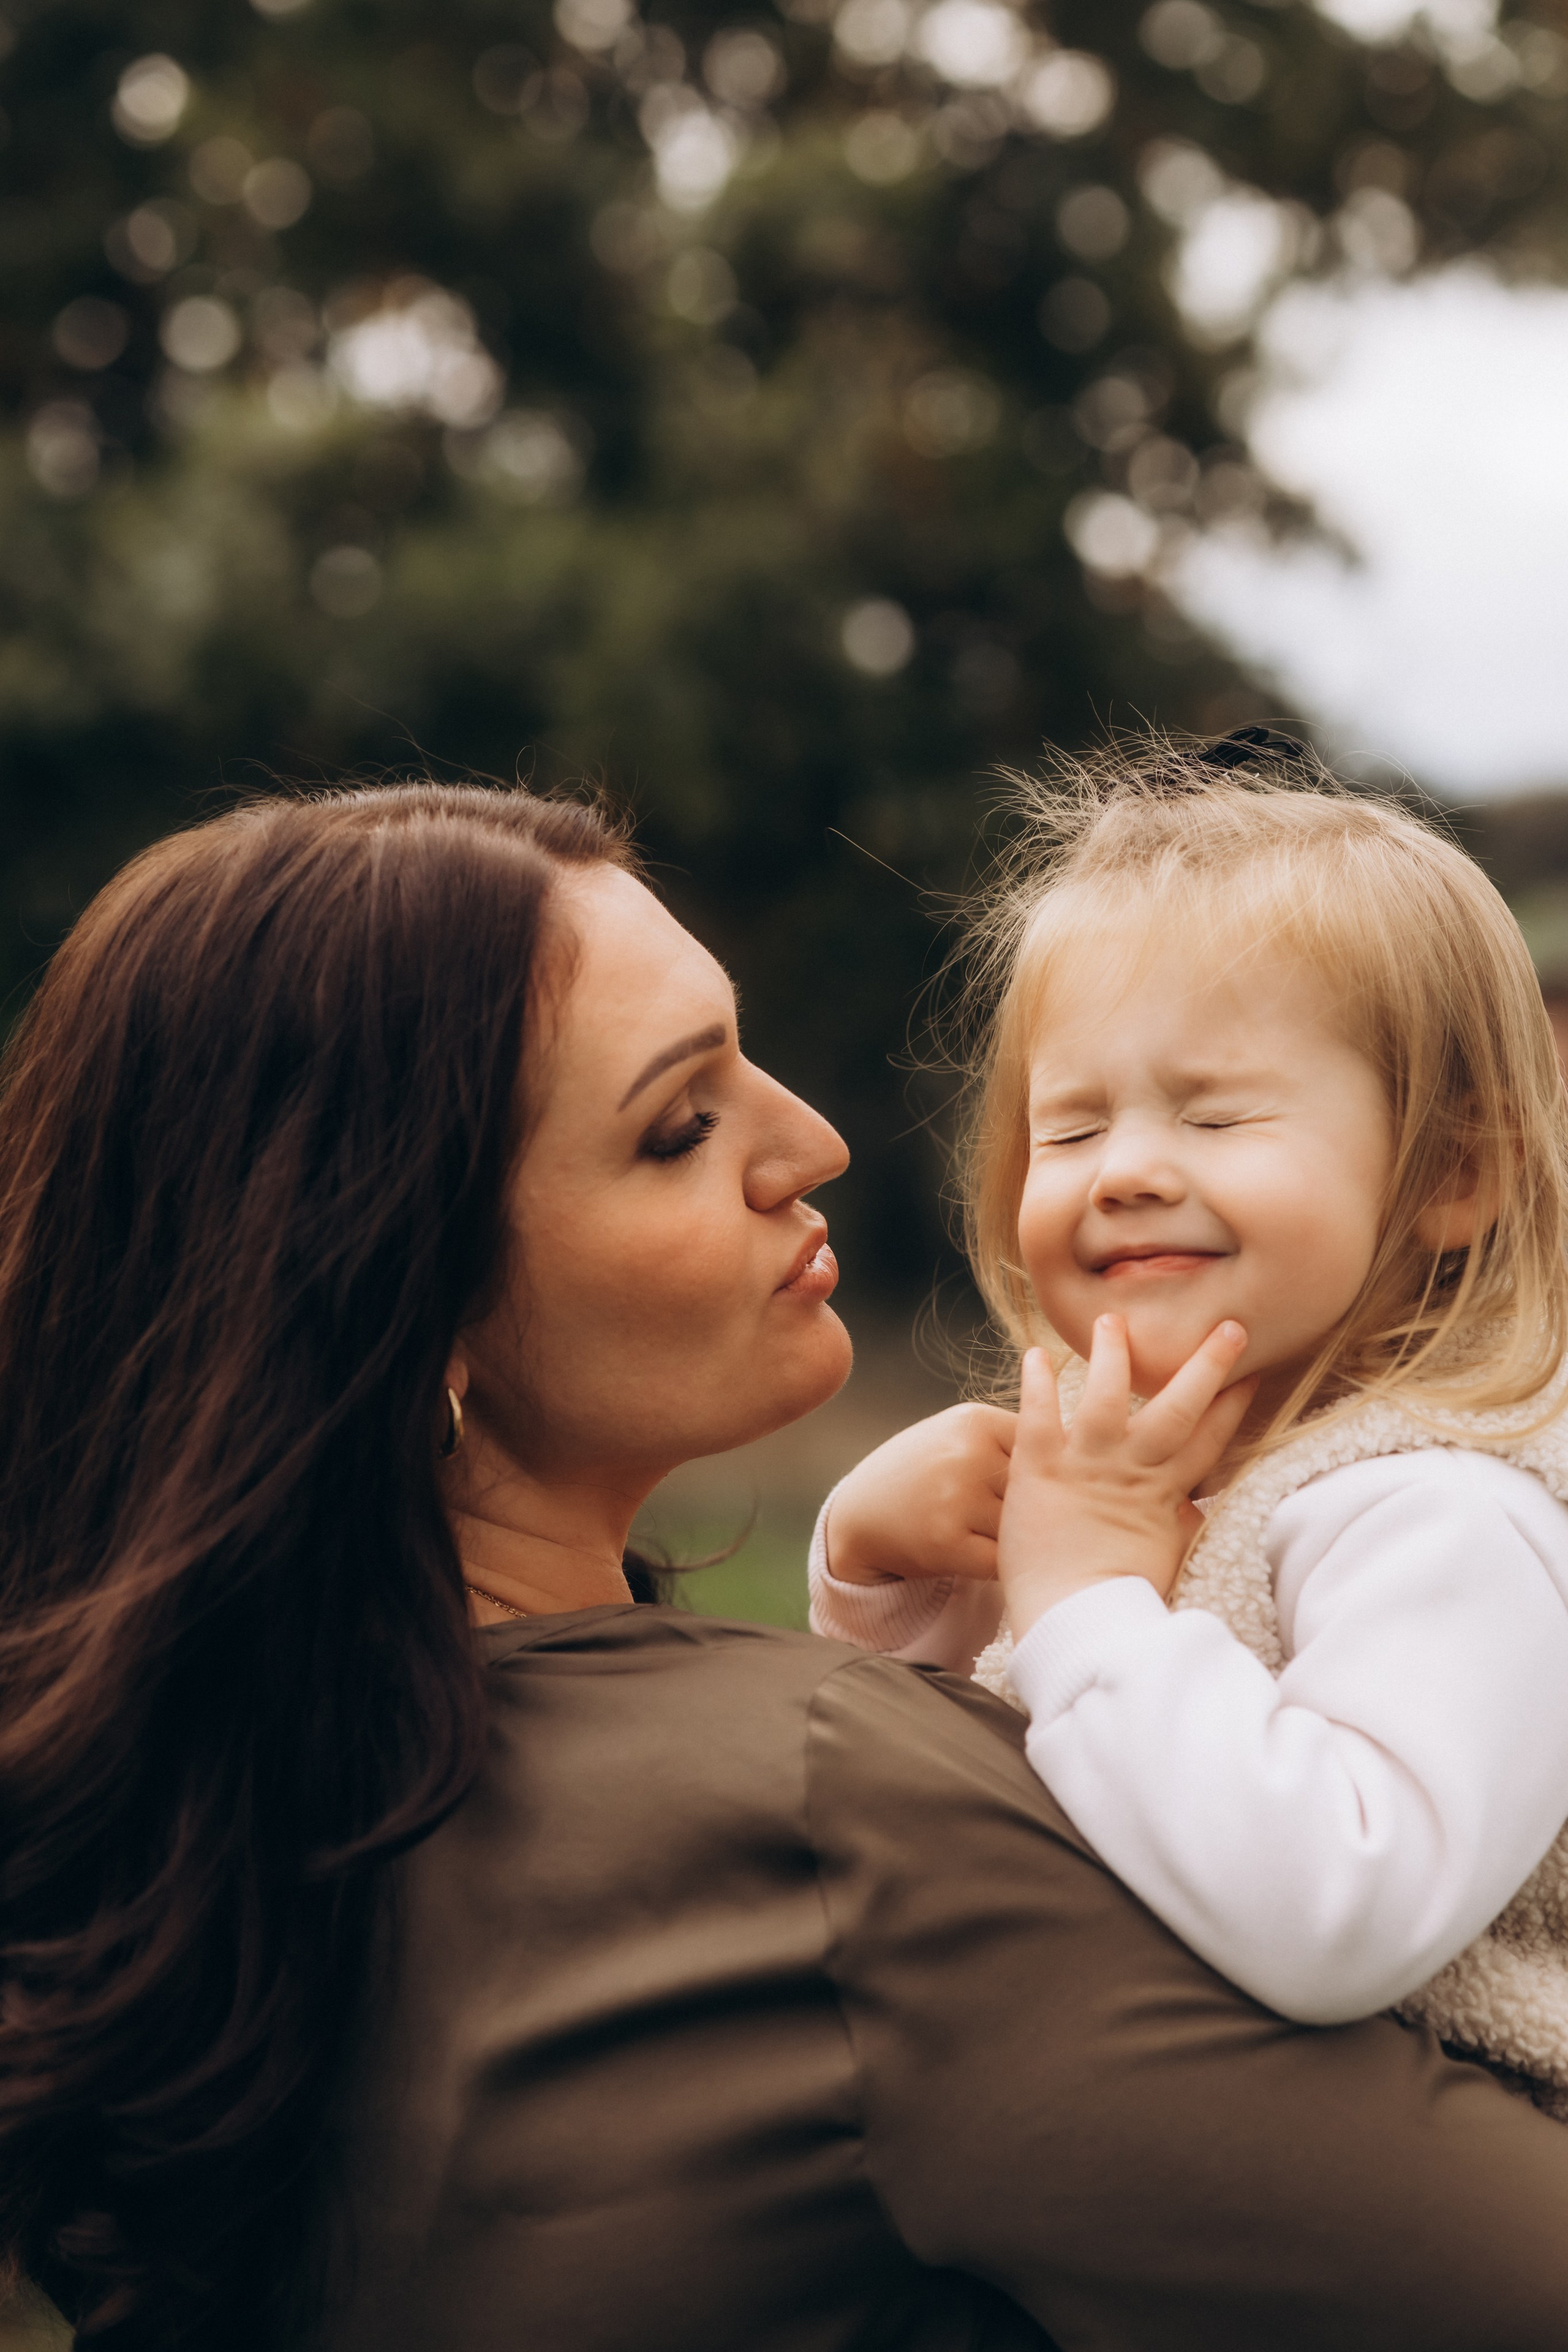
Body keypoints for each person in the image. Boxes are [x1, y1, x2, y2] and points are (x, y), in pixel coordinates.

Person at [4, 785, 1568, 2352]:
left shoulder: (247, 1828)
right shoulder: (825, 1813)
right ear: (410, 1313)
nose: (813, 1138)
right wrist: (1067, 1594)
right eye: (679, 1127)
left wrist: (935, 1611)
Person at [810, 736, 1568, 2112]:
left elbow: (1341, 1913)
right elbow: (992, 1777)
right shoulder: (1136, 1469)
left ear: (1452, 1176)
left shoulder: (1446, 1517)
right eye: (1069, 1129)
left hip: (1457, 2170)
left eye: (1214, 1115)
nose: (1128, 1173)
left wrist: (1088, 1592)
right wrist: (897, 1581)